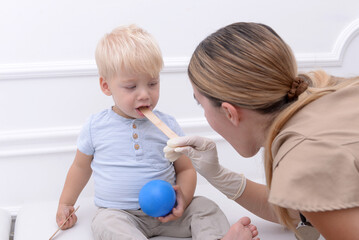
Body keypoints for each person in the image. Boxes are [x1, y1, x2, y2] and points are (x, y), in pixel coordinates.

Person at [55, 24, 259, 240]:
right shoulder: (95, 126)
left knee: (204, 206)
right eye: (131, 87)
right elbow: (80, 167)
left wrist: (183, 201)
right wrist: (65, 203)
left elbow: (186, 170)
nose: (145, 95)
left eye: (152, 83)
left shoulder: (167, 125)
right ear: (106, 86)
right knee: (105, 223)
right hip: (122, 214)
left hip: (169, 213)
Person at [164, 22, 359, 240]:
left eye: (201, 104)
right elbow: (305, 207)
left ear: (229, 112)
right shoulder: (323, 89)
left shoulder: (303, 159)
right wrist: (217, 174)